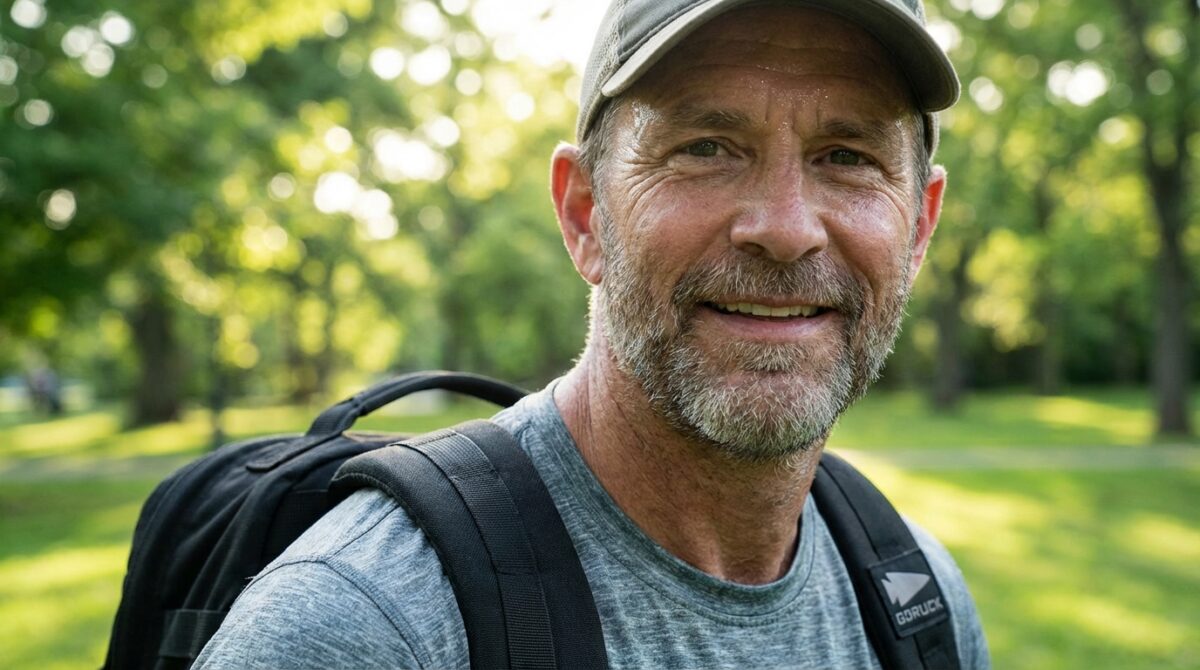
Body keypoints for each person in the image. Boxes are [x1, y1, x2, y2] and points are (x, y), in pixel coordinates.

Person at [196, 0, 990, 667]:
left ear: (918, 228)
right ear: (584, 215)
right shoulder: (365, 626)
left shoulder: (919, 600)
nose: (784, 230)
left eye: (847, 156)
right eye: (706, 148)